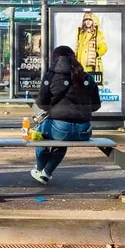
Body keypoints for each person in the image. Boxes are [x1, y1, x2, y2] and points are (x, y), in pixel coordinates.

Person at [31, 45, 102, 185]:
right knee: (61, 142)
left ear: (55, 58)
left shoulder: (50, 76)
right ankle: (46, 173)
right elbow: (96, 106)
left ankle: (39, 169)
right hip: (84, 131)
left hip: (60, 129)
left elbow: (42, 105)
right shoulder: (87, 76)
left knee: (39, 134)